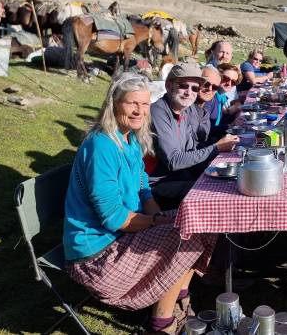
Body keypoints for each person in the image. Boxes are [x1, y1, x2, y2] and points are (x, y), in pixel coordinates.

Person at [63, 73, 217, 335]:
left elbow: (143, 185)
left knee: (200, 221)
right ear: (114, 104)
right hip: (98, 254)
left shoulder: (130, 137)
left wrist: (159, 216)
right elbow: (114, 218)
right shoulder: (101, 146)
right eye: (131, 103)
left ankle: (178, 298)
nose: (140, 111)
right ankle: (162, 324)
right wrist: (158, 222)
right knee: (185, 234)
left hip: (123, 234)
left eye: (145, 104)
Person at [149, 63, 239, 209]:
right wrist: (216, 148)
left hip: (182, 175)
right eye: (183, 86)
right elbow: (174, 161)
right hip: (160, 184)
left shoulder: (184, 110)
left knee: (230, 181)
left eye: (195, 88)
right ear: (168, 85)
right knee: (219, 193)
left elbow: (192, 150)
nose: (189, 92)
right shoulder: (159, 110)